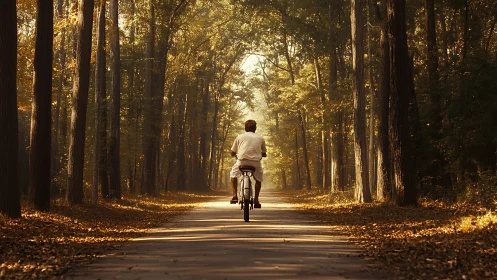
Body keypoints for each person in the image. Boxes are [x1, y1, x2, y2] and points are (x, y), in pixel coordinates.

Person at [229, 120, 266, 208]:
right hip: (255, 163)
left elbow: (233, 152)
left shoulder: (239, 137)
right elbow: (264, 153)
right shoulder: (260, 138)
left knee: (233, 175)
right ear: (255, 128)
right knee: (258, 180)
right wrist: (262, 154)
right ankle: (256, 200)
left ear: (245, 128)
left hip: (242, 161)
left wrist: (235, 154)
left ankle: (234, 196)